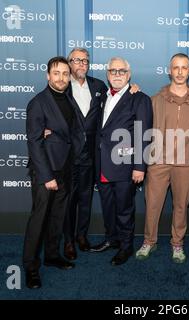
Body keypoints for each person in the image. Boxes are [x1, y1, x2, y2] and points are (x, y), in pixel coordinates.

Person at [135, 53, 189, 263]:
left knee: (181, 205)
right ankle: (149, 241)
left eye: (184, 67)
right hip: (158, 162)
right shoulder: (155, 100)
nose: (180, 72)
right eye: (176, 67)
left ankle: (177, 244)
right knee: (153, 204)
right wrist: (133, 92)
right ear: (169, 70)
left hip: (185, 163)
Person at [91, 57, 153, 265]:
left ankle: (126, 247)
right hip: (102, 164)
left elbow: (144, 134)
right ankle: (112, 239)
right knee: (108, 206)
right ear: (107, 74)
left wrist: (139, 166)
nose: (117, 75)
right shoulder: (102, 97)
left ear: (129, 74)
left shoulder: (140, 98)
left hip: (125, 166)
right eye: (113, 71)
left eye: (122, 71)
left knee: (124, 209)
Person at [23, 56, 76, 289]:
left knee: (57, 217)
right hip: (46, 172)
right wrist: (47, 177)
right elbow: (34, 143)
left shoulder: (69, 99)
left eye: (65, 74)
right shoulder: (38, 103)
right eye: (57, 73)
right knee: (39, 219)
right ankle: (30, 267)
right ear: (48, 75)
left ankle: (52, 255)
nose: (61, 78)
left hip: (65, 167)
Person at [62, 48, 108, 260]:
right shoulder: (61, 86)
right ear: (69, 62)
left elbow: (115, 106)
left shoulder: (98, 86)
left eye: (85, 61)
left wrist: (132, 89)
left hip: (90, 155)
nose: (81, 64)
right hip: (68, 156)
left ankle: (82, 236)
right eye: (77, 60)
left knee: (86, 199)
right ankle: (69, 241)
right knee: (69, 201)